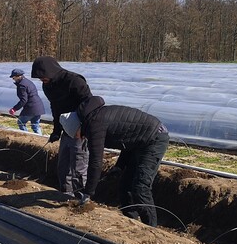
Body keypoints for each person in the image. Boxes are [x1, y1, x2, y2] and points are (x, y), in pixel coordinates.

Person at [60, 96, 169, 227]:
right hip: (139, 141)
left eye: (77, 135)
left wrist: (88, 192)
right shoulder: (94, 118)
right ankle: (133, 222)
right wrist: (119, 166)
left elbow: (96, 161)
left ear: (77, 127)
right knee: (124, 185)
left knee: (141, 187)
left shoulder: (94, 124)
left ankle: (151, 227)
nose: (79, 138)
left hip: (154, 138)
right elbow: (127, 139)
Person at [30, 56, 93, 197]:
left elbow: (89, 104)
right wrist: (56, 130)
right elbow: (55, 107)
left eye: (43, 77)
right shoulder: (48, 85)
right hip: (66, 129)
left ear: (51, 71)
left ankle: (81, 198)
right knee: (64, 166)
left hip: (80, 131)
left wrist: (82, 127)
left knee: (78, 166)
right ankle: (66, 195)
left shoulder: (74, 81)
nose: (41, 80)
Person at [7, 68, 44, 134]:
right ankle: (41, 139)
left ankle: (26, 137)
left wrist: (14, 109)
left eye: (13, 77)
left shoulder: (22, 85)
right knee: (35, 125)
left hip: (31, 108)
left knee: (21, 123)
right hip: (38, 106)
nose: (13, 79)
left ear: (18, 76)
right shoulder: (27, 82)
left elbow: (24, 100)